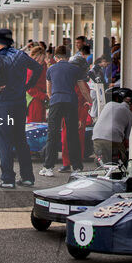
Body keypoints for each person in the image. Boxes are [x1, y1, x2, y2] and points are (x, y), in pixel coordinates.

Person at [0, 28, 42, 188]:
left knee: (5, 140)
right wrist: (28, 85)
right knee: (21, 140)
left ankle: (7, 178)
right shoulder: (20, 54)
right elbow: (38, 68)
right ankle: (27, 177)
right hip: (20, 102)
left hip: (5, 102)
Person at [39, 45, 87, 177]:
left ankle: (48, 167)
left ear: (55, 57)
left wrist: (53, 99)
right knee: (73, 135)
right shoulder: (75, 69)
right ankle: (77, 167)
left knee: (52, 134)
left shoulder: (51, 69)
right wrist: (90, 100)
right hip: (71, 102)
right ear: (68, 56)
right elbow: (83, 89)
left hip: (56, 102)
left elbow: (49, 90)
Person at [93, 88, 132, 165]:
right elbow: (128, 140)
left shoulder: (109, 105)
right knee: (122, 158)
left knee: (103, 158)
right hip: (113, 140)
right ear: (131, 106)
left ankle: (100, 158)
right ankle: (117, 159)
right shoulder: (129, 113)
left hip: (96, 137)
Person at [25, 45, 48, 123]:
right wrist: (44, 96)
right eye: (38, 60)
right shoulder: (30, 70)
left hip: (41, 97)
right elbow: (29, 88)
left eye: (42, 60)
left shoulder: (44, 65)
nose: (40, 62)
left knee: (42, 121)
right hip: (33, 99)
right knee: (34, 123)